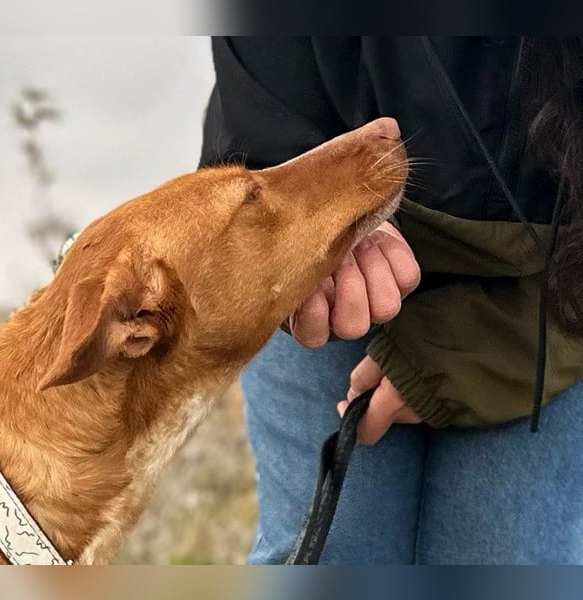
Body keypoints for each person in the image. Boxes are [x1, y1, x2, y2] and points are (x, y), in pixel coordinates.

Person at [198, 36, 583, 564]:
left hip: (555, 288)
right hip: (326, 233)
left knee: (500, 558)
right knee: (328, 558)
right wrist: (299, 225)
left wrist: (478, 354)